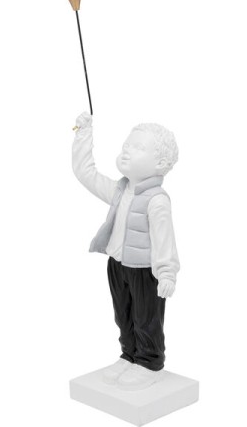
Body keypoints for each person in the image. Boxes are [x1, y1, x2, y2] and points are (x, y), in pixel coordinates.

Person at [72, 112, 180, 391]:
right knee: (123, 315)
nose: (127, 150)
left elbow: (165, 240)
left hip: (144, 270)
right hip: (117, 264)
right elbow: (86, 174)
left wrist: (167, 273)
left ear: (160, 163)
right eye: (127, 144)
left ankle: (149, 361)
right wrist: (83, 134)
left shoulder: (157, 201)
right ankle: (130, 354)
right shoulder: (120, 191)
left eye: (139, 147)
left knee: (146, 317)